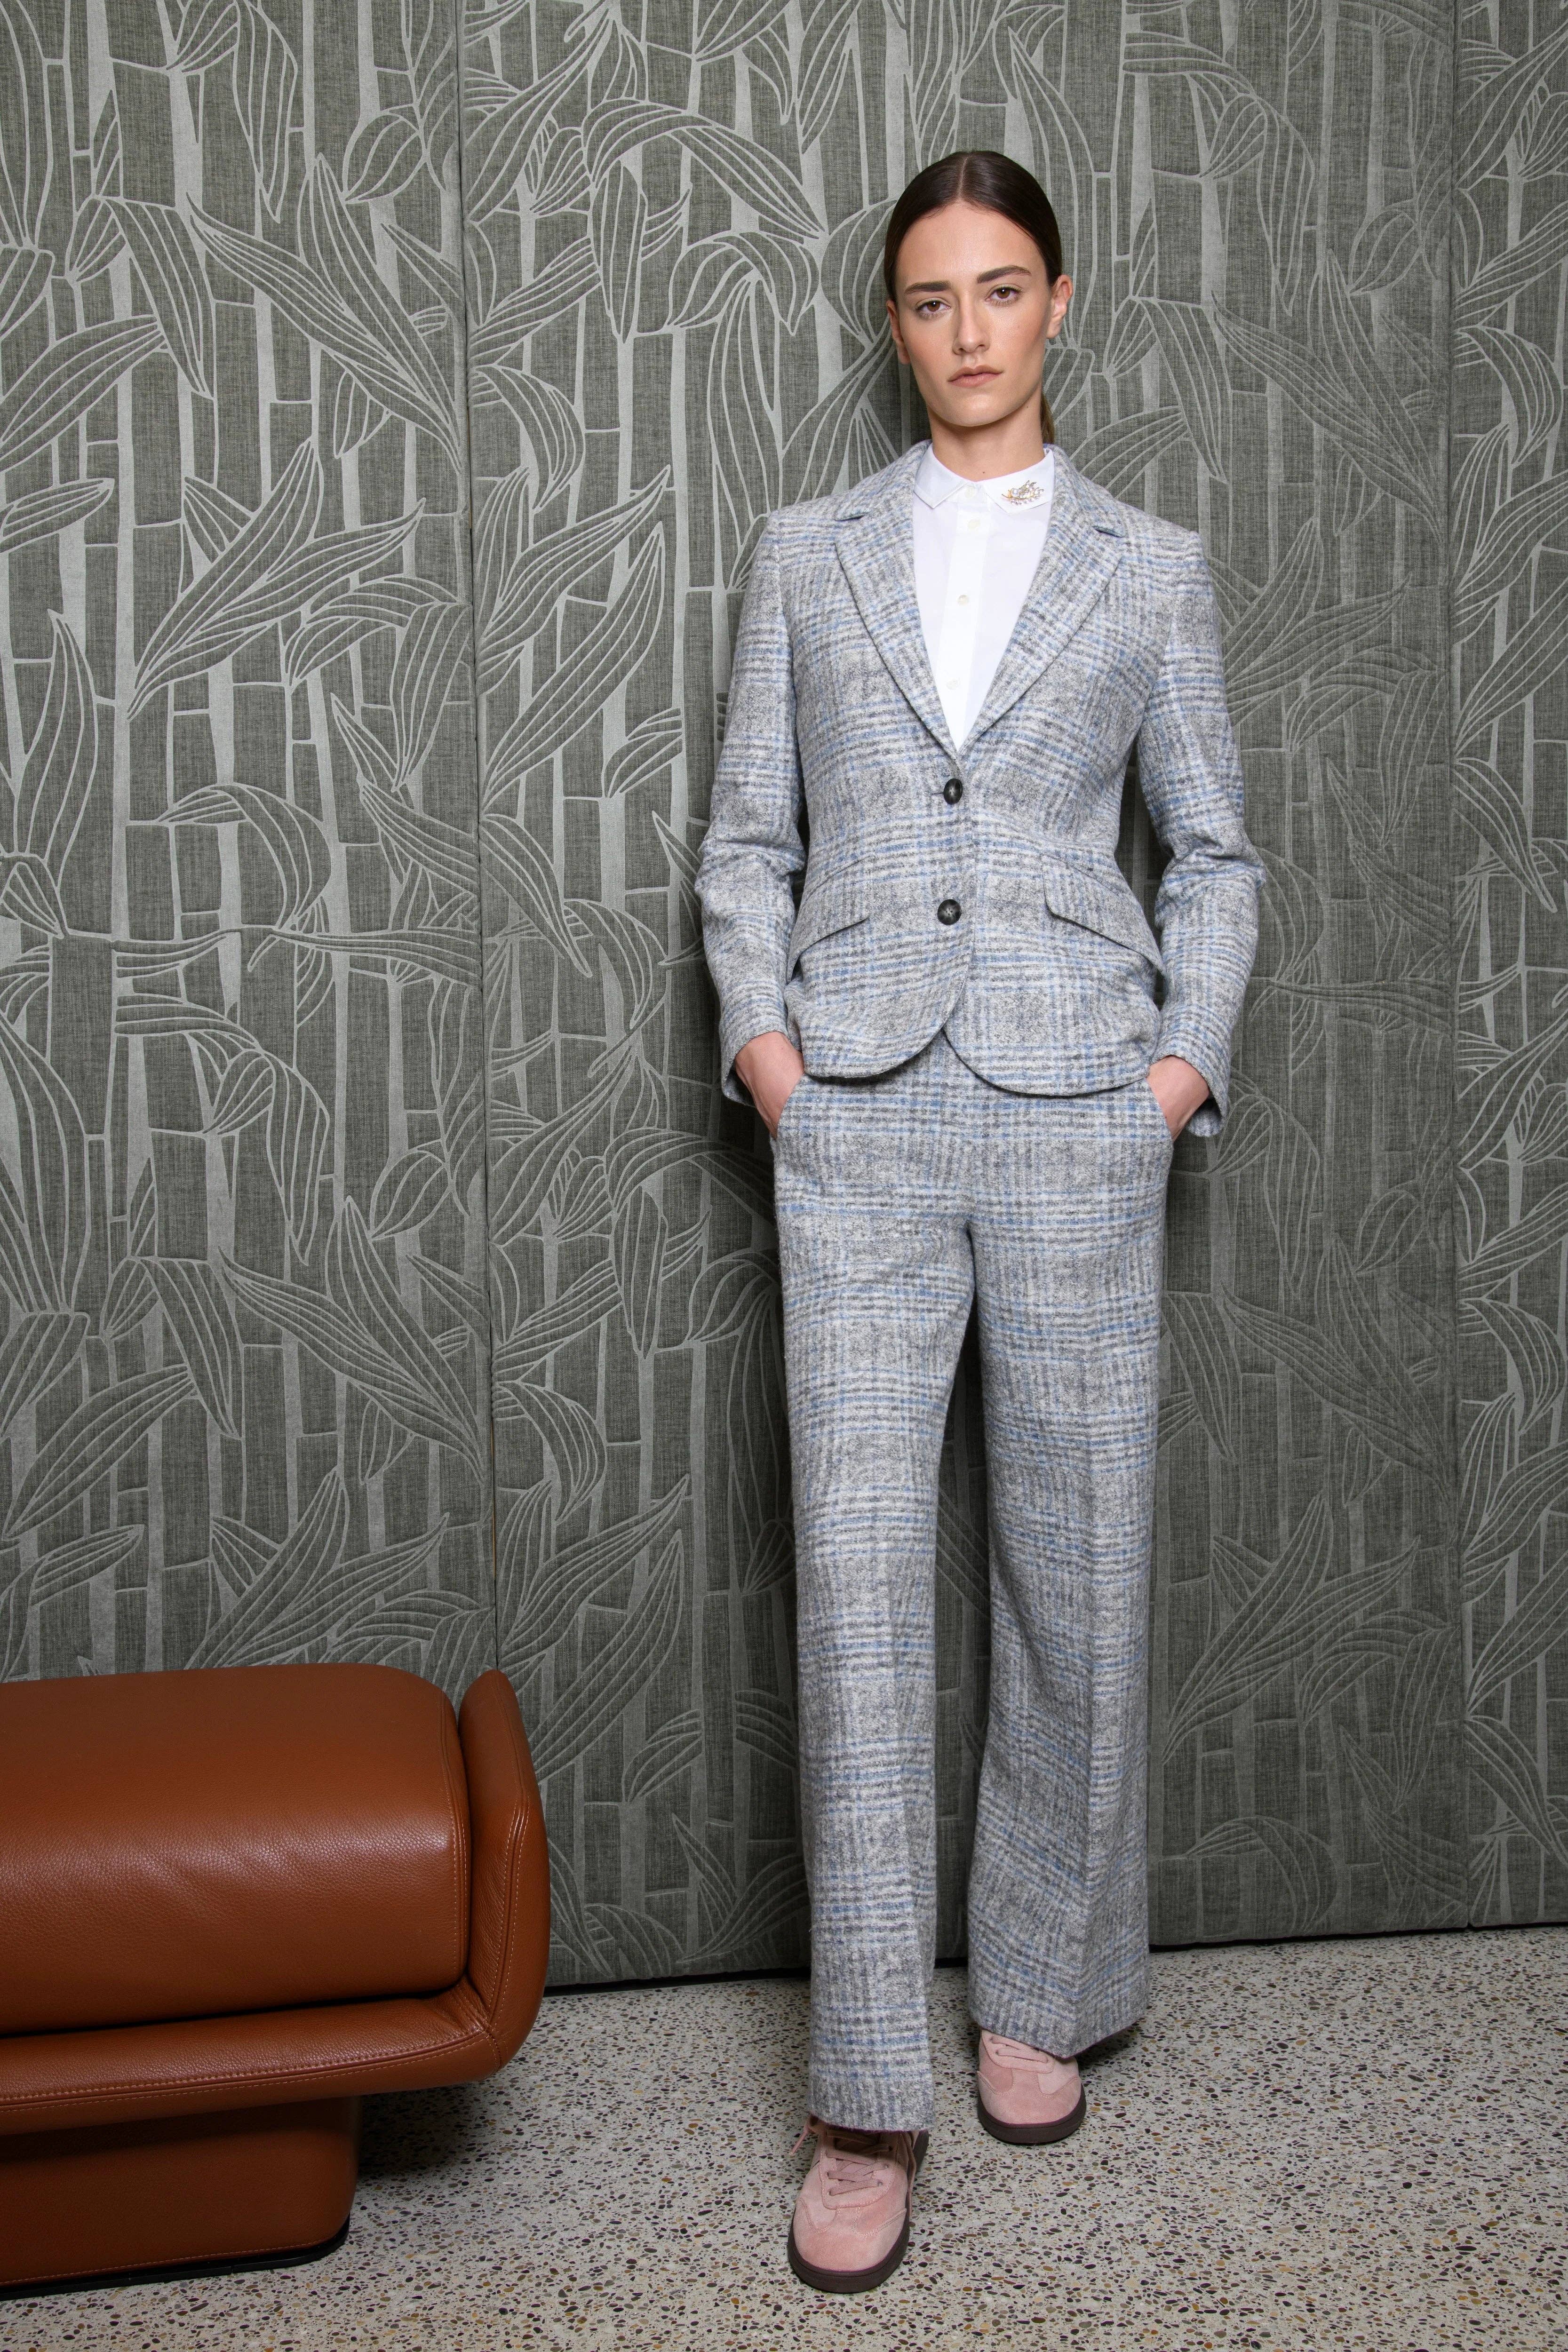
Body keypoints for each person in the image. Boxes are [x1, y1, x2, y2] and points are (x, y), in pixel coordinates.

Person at [694, 148, 1263, 2296]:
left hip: (1076, 1106)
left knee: (1073, 1565)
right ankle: (864, 2095)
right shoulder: (808, 552)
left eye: (1001, 289)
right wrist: (773, 1059)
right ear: (895, 322)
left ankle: (1044, 1985)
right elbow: (746, 842)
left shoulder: (1150, 567)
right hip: (855, 1109)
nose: (966, 331)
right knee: (856, 1595)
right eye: (930, 298)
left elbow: (1218, 852)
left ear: (1059, 302)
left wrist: (1172, 1078)